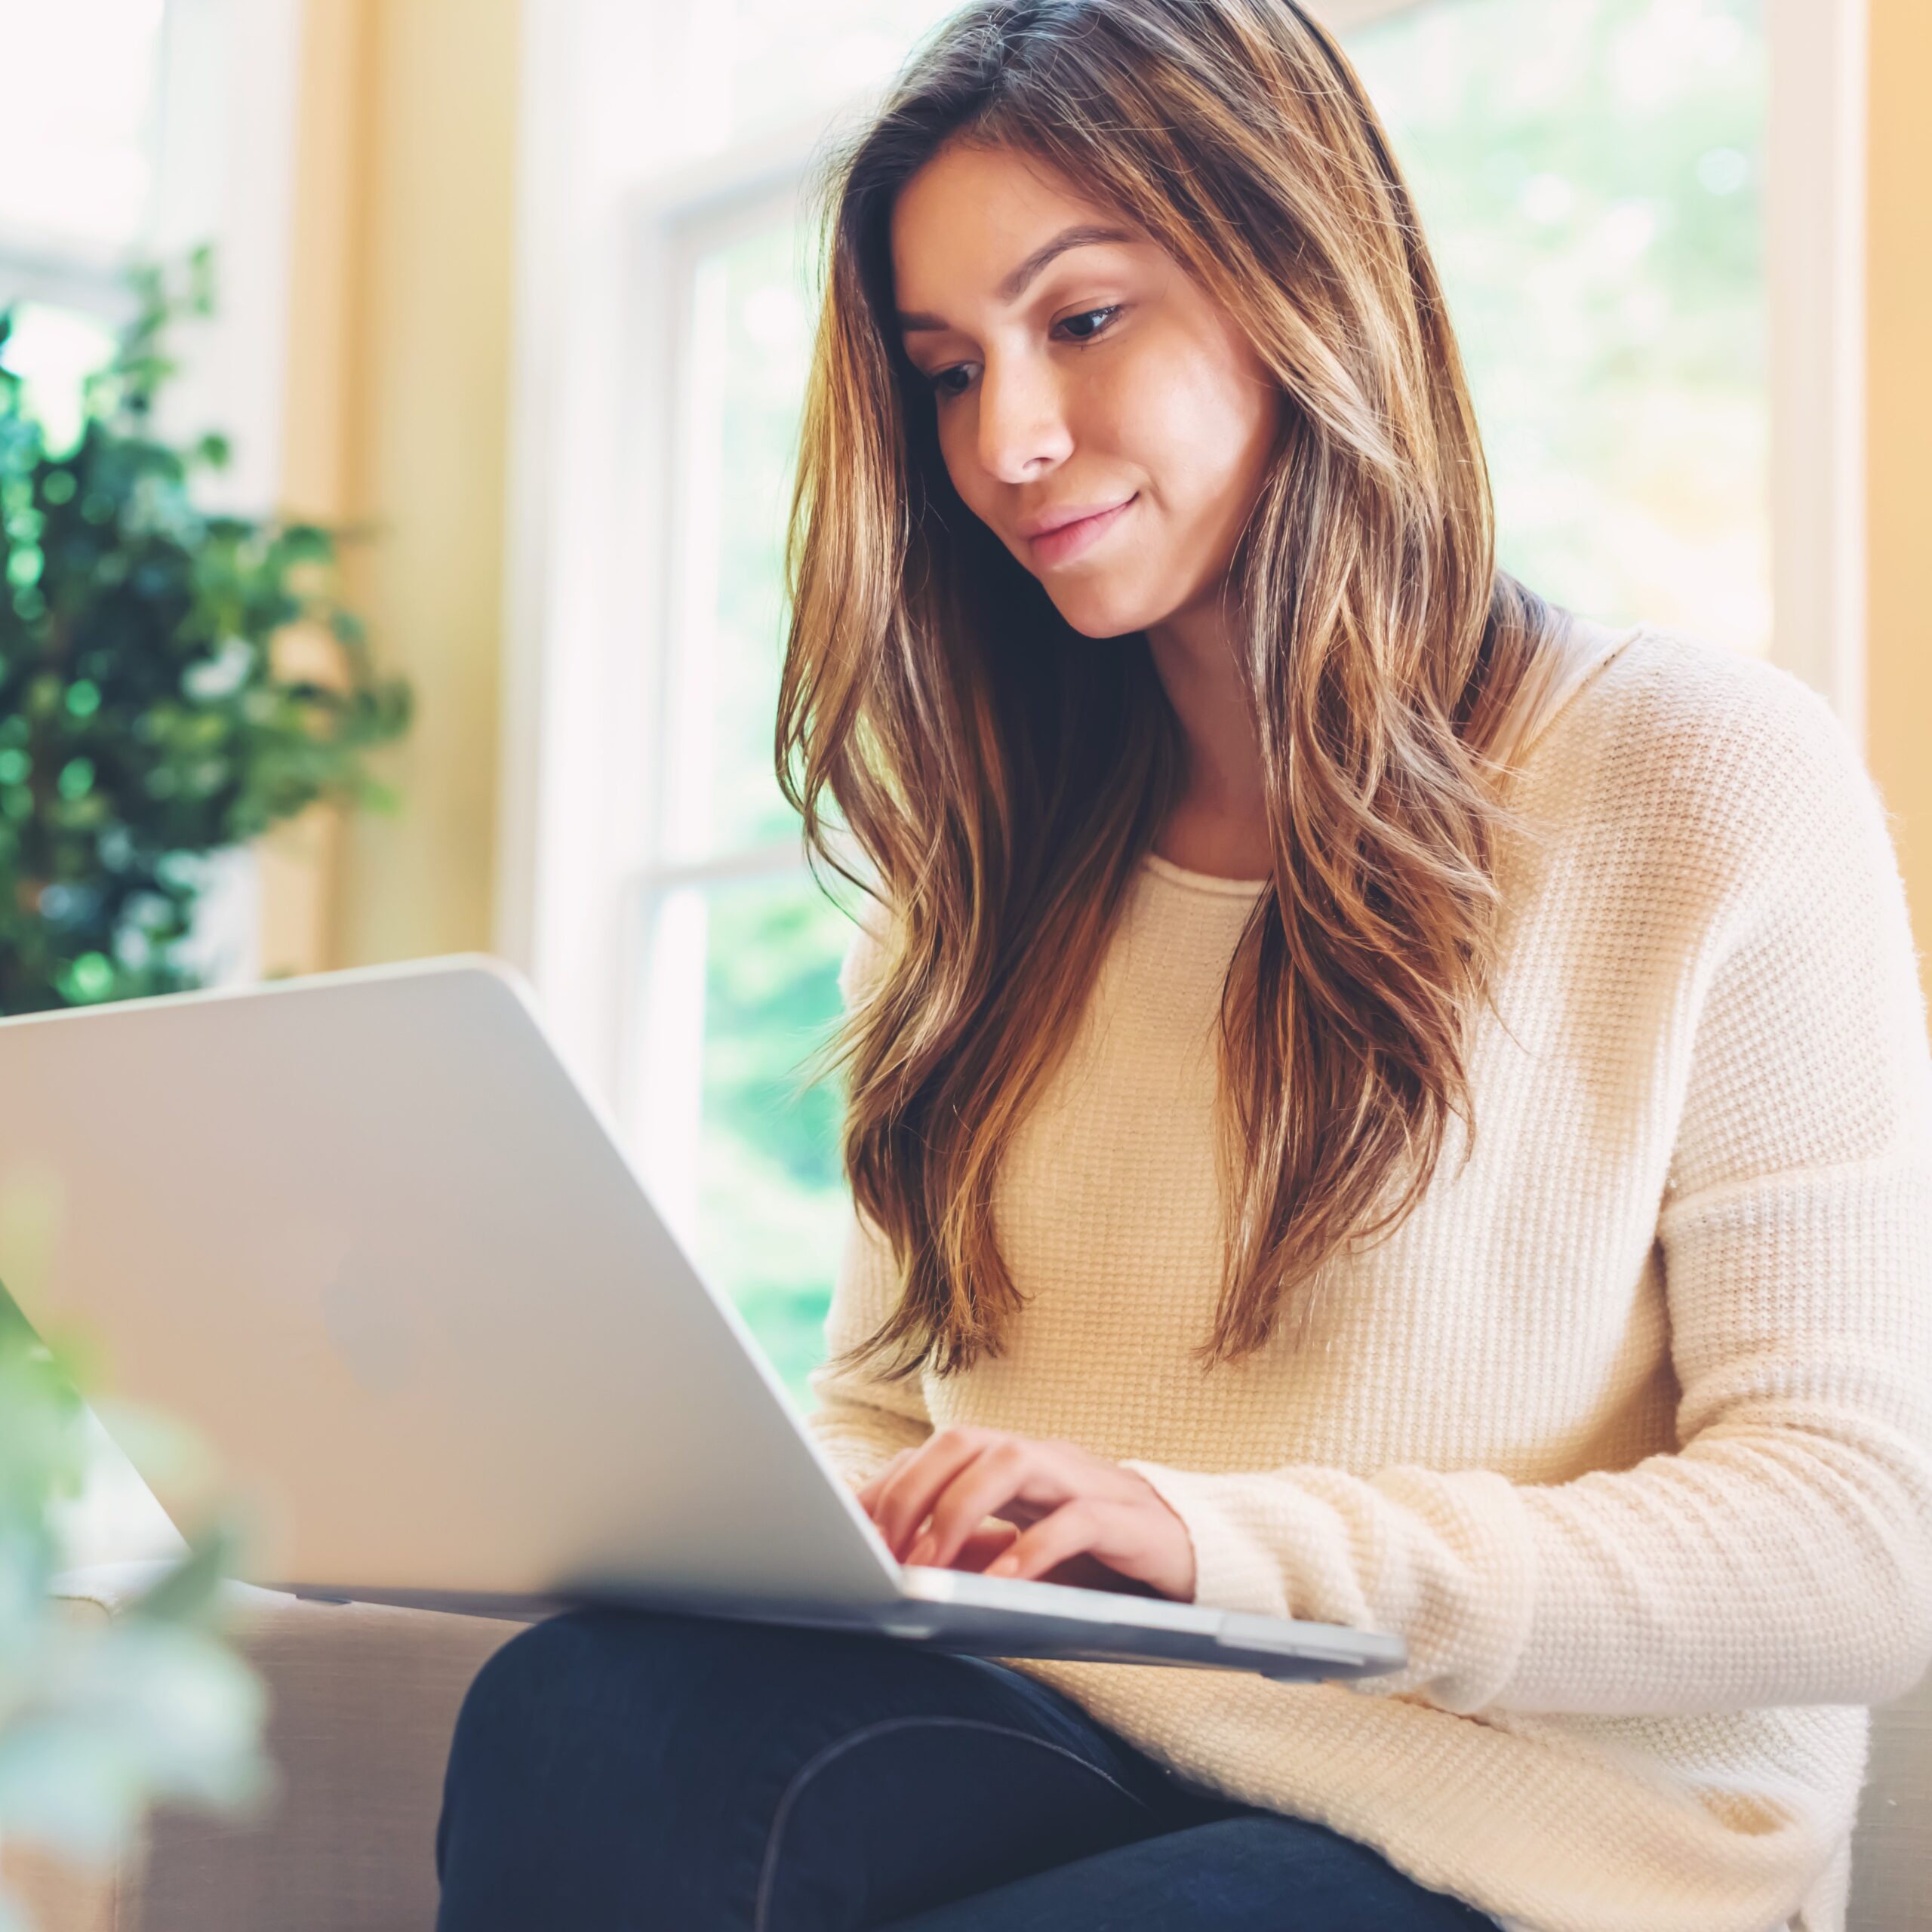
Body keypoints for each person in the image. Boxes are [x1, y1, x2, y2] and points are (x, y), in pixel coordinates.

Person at [434, 2, 1932, 1927]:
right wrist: (712, 1502)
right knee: (579, 1714)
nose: (1007, 440)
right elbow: (891, 1415)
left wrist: (1215, 1539)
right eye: (945, 366)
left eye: (1080, 322)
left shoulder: (1697, 778)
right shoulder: (984, 869)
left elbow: (1854, 1540)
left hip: (1524, 1830)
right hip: (1057, 1731)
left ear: (1295, 275)